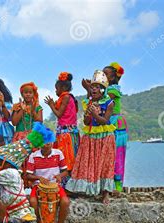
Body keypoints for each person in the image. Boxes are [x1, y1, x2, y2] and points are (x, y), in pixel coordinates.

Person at [66, 70, 116, 204]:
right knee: (88, 163)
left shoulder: (109, 103)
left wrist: (95, 114)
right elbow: (87, 122)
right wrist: (89, 114)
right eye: (92, 87)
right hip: (91, 136)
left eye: (97, 87)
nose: (94, 89)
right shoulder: (87, 102)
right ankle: (86, 190)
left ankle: (105, 193)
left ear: (103, 89)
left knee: (105, 164)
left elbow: (105, 121)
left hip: (105, 136)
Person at [26, 141, 70, 223]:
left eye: (50, 142)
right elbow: (28, 175)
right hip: (38, 186)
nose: (48, 144)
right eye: (45, 143)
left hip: (55, 186)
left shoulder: (58, 153)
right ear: (40, 144)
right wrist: (38, 178)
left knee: (65, 202)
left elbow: (65, 171)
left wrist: (60, 175)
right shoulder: (33, 156)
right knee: (32, 202)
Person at [44, 72, 79, 179]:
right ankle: (69, 183)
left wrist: (51, 105)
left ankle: (66, 184)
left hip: (65, 134)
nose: (56, 91)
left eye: (57, 88)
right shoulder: (71, 97)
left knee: (65, 159)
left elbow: (59, 114)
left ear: (63, 87)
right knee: (70, 157)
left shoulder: (65, 97)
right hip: (71, 132)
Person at [104, 62, 127, 192]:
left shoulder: (112, 90)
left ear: (112, 78)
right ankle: (109, 183)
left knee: (117, 155)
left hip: (116, 125)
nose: (102, 77)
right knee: (109, 155)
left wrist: (91, 88)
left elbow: (104, 100)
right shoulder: (107, 89)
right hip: (109, 123)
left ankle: (118, 184)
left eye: (105, 74)